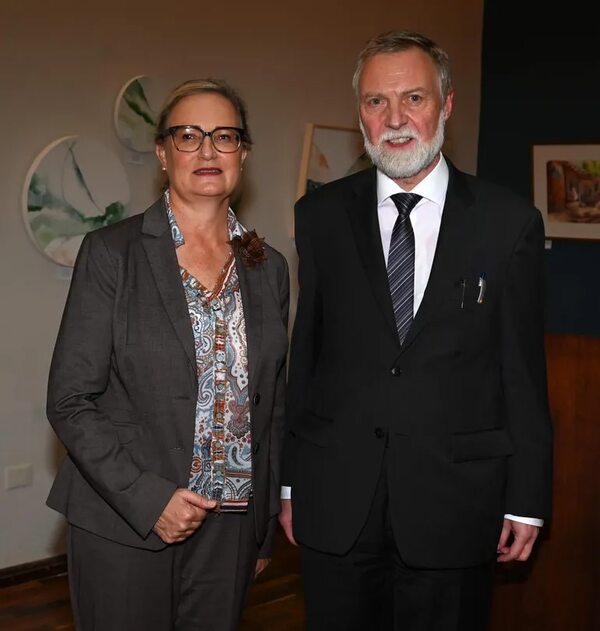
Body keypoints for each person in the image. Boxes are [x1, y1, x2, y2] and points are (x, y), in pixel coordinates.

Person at [279, 31, 552, 631]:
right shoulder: (318, 217)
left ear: (447, 104)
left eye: (414, 99)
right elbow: (308, 358)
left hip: (454, 503)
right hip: (336, 497)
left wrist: (527, 501)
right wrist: (291, 480)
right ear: (360, 115)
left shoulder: (509, 224)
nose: (395, 119)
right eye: (377, 102)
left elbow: (523, 375)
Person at [46, 78, 290, 631]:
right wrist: (151, 499)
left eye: (224, 136)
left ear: (243, 153)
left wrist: (262, 526)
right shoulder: (112, 253)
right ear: (162, 152)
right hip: (126, 520)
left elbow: (272, 404)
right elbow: (70, 400)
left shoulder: (268, 266)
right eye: (189, 135)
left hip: (230, 528)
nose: (207, 150)